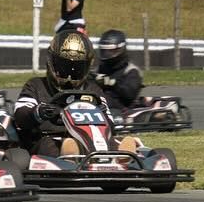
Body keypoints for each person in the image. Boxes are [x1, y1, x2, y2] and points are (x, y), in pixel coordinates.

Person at [12, 29, 137, 157]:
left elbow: (110, 125)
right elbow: (20, 115)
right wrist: (37, 112)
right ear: (52, 62)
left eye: (76, 68)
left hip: (89, 140)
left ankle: (125, 157)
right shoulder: (36, 86)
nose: (70, 75)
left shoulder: (93, 90)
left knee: (111, 143)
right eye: (64, 67)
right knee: (49, 146)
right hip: (49, 138)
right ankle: (70, 157)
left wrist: (100, 114)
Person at [95, 29, 143, 111]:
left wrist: (112, 83)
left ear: (120, 49)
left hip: (122, 110)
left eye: (110, 51)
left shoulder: (131, 70)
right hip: (102, 108)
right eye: (104, 51)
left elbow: (129, 95)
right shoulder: (101, 68)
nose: (106, 54)